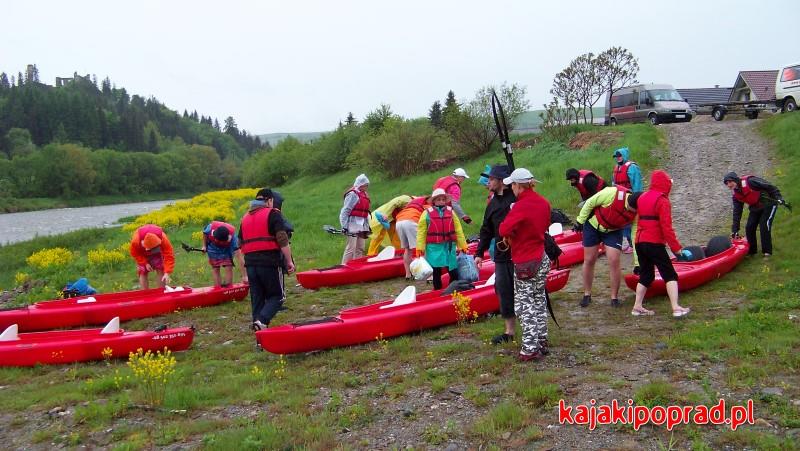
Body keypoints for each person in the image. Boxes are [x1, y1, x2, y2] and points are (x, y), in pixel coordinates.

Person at [498, 168, 552, 361]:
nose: (511, 188)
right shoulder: (543, 202)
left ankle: (530, 348)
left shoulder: (520, 206)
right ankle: (542, 340)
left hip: (525, 260)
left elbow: (503, 229)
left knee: (524, 304)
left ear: (518, 186)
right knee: (539, 299)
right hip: (541, 256)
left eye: (512, 185)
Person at [630, 170, 692, 317]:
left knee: (646, 275)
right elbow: (666, 228)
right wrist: (677, 249)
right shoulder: (662, 201)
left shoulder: (642, 197)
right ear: (665, 184)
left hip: (639, 242)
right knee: (670, 274)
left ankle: (637, 307)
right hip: (654, 242)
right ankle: (676, 308)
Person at [573, 186, 640, 308]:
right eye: (632, 210)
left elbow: (635, 236)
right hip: (593, 226)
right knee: (589, 259)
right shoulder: (611, 193)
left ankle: (614, 298)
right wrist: (580, 221)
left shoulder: (636, 212)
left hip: (613, 231)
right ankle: (587, 294)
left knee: (614, 260)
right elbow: (590, 202)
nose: (633, 213)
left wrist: (637, 263)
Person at [238, 188, 295, 330]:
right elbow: (282, 239)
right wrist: (289, 261)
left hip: (251, 264)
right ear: (269, 201)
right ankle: (262, 322)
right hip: (269, 263)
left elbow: (239, 244)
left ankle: (259, 336)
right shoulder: (273, 213)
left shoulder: (245, 218)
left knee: (257, 300)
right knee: (277, 297)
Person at [473, 165, 517, 345]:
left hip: (520, 252)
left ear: (501, 181)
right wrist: (479, 253)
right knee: (502, 288)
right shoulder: (492, 203)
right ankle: (509, 331)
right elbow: (486, 229)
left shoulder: (517, 198)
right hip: (501, 254)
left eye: (491, 179)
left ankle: (534, 327)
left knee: (525, 289)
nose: (488, 182)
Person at [723, 172, 790, 256]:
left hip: (769, 204)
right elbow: (737, 213)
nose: (729, 185)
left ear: (735, 180)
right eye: (726, 183)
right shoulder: (736, 196)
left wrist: (779, 197)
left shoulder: (750, 181)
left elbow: (769, 186)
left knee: (764, 225)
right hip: (755, 207)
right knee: (749, 227)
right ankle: (752, 251)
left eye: (730, 182)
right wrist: (735, 230)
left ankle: (767, 252)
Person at [416, 188, 468, 290]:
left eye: (443, 199)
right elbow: (421, 232)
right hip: (434, 248)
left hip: (449, 246)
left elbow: (458, 230)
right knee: (436, 272)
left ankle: (453, 289)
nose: (441, 201)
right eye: (439, 199)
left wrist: (463, 245)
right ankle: (438, 290)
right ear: (434, 201)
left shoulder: (451, 212)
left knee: (453, 271)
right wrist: (420, 248)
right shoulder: (426, 213)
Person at [611, 147, 643, 254]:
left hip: (630, 198)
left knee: (632, 221)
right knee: (623, 220)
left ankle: (634, 243)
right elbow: (614, 184)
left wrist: (636, 199)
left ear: (624, 156)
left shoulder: (632, 168)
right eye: (616, 156)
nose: (618, 158)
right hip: (620, 198)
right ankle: (628, 242)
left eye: (620, 156)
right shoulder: (616, 168)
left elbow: (637, 185)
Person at [394, 195, 430, 279]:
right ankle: (428, 275)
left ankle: (408, 274)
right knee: (424, 247)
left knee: (407, 249)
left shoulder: (411, 204)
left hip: (399, 222)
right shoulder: (428, 205)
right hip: (411, 220)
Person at [201, 221, 246, 287]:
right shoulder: (210, 228)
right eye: (216, 239)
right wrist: (204, 246)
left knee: (228, 266)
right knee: (215, 268)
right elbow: (205, 233)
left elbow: (239, 256)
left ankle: (229, 287)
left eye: (218, 240)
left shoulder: (233, 238)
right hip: (212, 248)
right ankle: (218, 288)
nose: (216, 240)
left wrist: (245, 276)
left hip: (226, 249)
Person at [129, 224, 175, 289]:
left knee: (160, 269)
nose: (152, 252)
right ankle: (145, 293)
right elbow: (135, 253)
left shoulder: (163, 238)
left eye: (154, 249)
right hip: (142, 253)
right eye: (151, 250)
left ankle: (161, 291)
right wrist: (145, 263)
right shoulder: (136, 241)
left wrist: (167, 272)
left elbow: (169, 255)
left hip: (157, 253)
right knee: (143, 272)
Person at [339, 174, 371, 264]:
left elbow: (365, 213)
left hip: (362, 225)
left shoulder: (365, 194)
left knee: (360, 247)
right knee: (351, 248)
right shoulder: (352, 194)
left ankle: (357, 266)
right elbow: (345, 211)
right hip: (352, 224)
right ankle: (344, 266)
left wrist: (367, 226)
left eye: (367, 185)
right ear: (360, 184)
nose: (367, 187)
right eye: (365, 185)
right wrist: (344, 226)